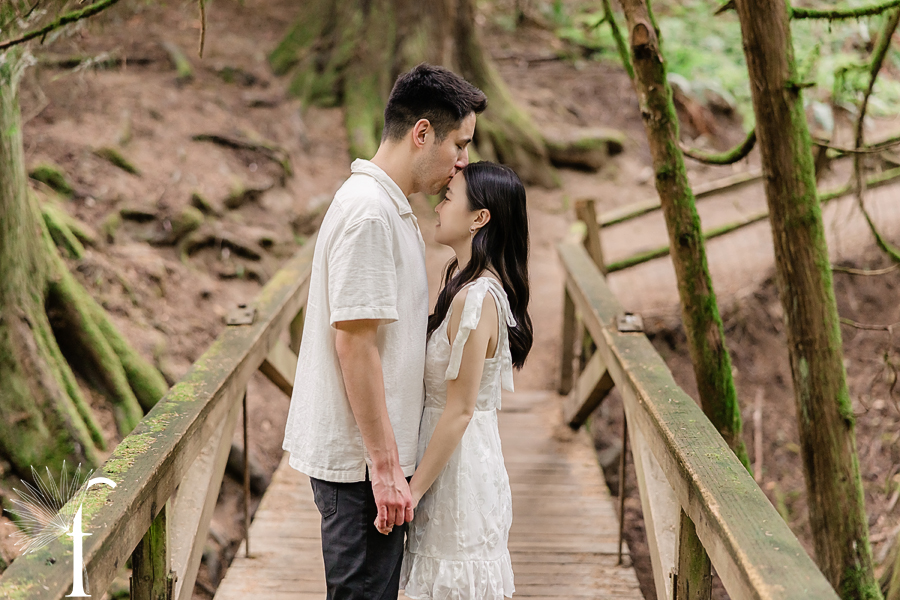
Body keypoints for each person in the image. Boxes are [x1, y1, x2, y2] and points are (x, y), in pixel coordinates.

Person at [281, 64, 487, 600]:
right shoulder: (370, 214)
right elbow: (354, 343)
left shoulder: (388, 208)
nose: (463, 162)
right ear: (422, 133)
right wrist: (386, 468)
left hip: (369, 467)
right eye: (459, 145)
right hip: (361, 472)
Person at [399, 162, 533, 599]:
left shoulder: (477, 300)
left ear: (480, 218)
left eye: (448, 197)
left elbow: (460, 410)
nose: (438, 206)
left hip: (457, 475)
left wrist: (411, 493)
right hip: (447, 463)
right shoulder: (462, 285)